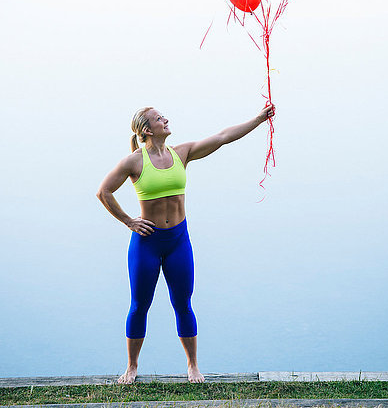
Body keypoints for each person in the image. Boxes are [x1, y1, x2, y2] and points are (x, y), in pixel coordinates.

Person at [96, 102, 275, 384]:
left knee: (183, 303)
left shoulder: (182, 153)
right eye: (159, 119)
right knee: (139, 305)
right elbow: (104, 192)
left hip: (178, 240)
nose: (165, 120)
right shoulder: (134, 161)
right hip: (147, 243)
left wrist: (258, 119)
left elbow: (223, 136)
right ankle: (131, 366)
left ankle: (192, 366)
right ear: (147, 129)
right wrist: (129, 221)